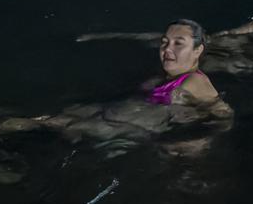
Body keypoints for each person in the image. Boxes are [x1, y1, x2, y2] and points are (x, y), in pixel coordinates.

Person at [32, 19, 232, 142]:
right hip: (110, 113)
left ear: (198, 51)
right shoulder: (165, 77)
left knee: (50, 122)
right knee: (55, 115)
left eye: (178, 44)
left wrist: (193, 140)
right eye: (164, 43)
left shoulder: (194, 82)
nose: (167, 49)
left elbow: (225, 117)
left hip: (123, 129)